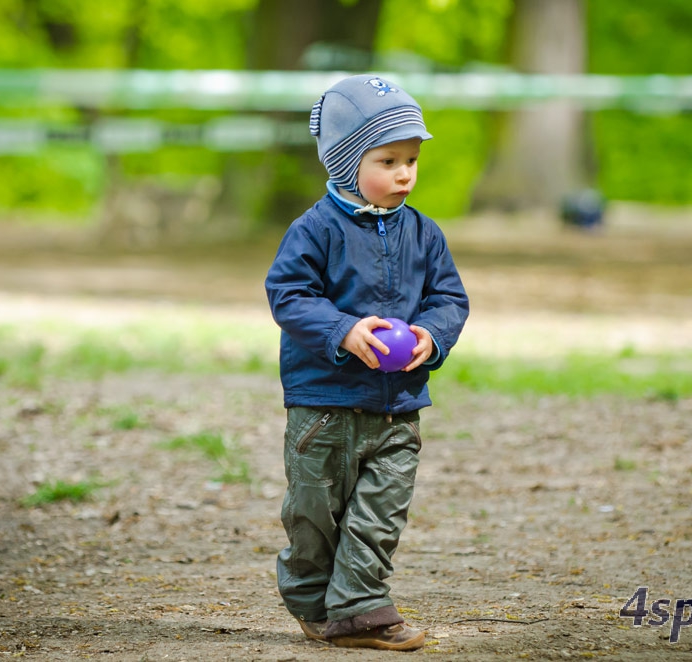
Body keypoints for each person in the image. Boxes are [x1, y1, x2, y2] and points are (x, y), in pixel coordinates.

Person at [264, 74, 470, 651]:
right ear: (346, 161)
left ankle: (359, 609)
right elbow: (289, 294)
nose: (404, 173)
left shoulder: (425, 234)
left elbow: (449, 298)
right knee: (314, 515)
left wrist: (432, 334)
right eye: (388, 160)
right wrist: (344, 330)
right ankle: (311, 599)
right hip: (323, 406)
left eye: (411, 160)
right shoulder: (315, 230)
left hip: (396, 407)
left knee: (379, 514)